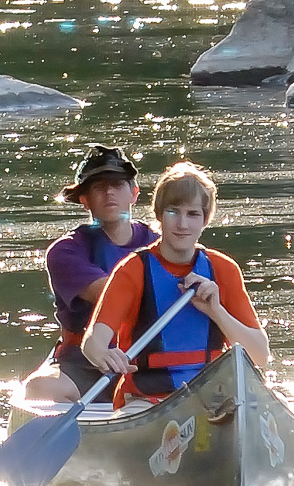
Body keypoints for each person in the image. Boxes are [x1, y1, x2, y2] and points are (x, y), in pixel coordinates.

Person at [81, 162, 267, 400]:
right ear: (159, 215)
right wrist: (104, 355)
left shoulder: (224, 269)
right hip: (146, 398)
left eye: (193, 214)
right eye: (173, 212)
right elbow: (93, 343)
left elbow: (260, 355)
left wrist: (217, 311)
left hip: (211, 396)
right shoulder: (132, 270)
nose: (182, 224)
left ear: (205, 219)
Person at [24, 144, 158, 403]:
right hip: (85, 363)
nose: (109, 192)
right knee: (39, 390)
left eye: (117, 184)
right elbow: (112, 295)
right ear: (84, 200)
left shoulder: (160, 243)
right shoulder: (65, 252)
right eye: (98, 187)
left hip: (151, 358)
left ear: (134, 193)